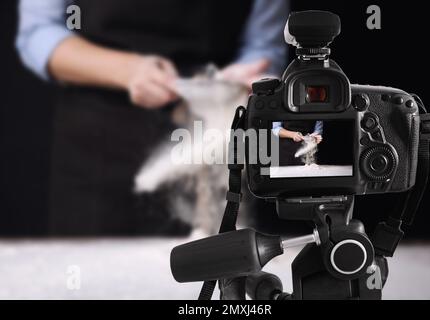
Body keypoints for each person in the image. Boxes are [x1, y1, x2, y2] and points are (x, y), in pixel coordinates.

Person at [16, 0, 289, 236]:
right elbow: (38, 32)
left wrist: (241, 82)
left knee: (209, 281)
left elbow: (263, 46)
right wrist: (128, 71)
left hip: (214, 147)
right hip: (95, 151)